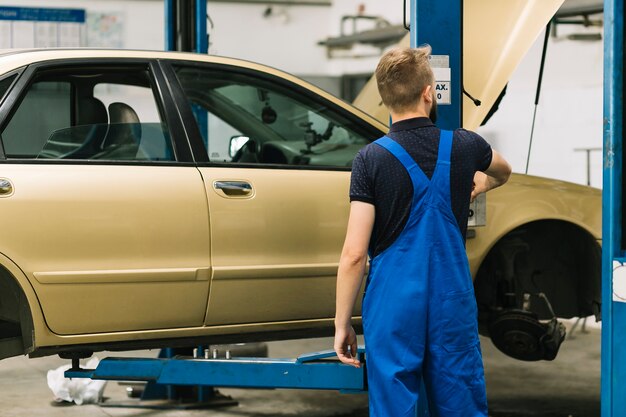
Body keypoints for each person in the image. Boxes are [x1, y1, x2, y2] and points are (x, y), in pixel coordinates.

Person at [333, 46, 512, 417]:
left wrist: (342, 324)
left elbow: (353, 254)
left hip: (393, 305)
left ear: (385, 99)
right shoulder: (466, 145)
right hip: (451, 301)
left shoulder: (371, 159)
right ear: (428, 93)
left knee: (396, 404)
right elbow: (503, 171)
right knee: (460, 398)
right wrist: (480, 184)